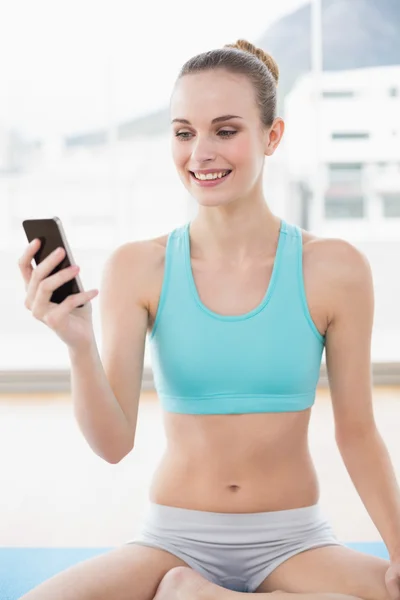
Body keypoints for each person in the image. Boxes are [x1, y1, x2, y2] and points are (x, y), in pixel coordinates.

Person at [17, 39, 400, 600]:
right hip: (174, 540)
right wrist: (77, 344)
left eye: (225, 131)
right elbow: (113, 444)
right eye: (183, 132)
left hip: (293, 541)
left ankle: (196, 596)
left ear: (273, 136)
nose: (200, 153)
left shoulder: (335, 269)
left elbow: (359, 432)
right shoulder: (138, 266)